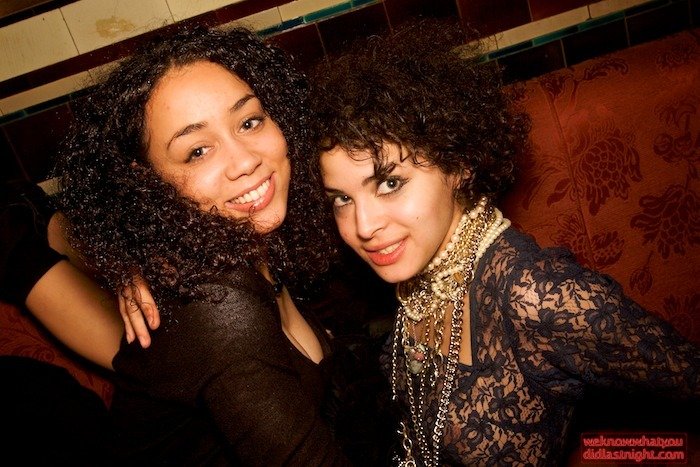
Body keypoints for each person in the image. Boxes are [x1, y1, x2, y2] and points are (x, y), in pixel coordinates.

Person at [307, 22, 700, 466]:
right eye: (342, 199)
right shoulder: (419, 271)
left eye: (390, 183)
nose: (363, 226)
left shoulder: (536, 296)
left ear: (458, 164)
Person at [44, 25, 394, 466]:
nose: (245, 160)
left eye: (249, 122)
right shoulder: (220, 312)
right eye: (198, 151)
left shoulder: (248, 244)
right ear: (146, 184)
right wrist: (123, 260)